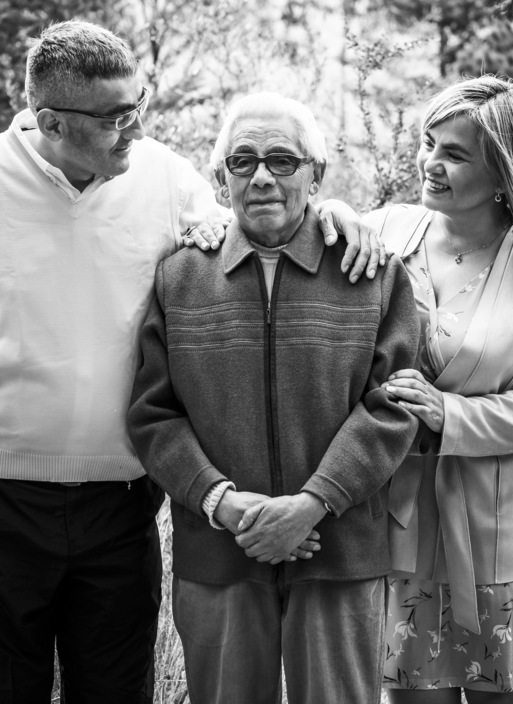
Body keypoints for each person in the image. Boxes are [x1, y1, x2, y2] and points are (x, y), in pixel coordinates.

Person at [0, 21, 384, 704]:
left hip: (118, 515)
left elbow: (260, 219)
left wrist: (337, 213)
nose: (135, 130)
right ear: (52, 121)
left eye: (137, 109)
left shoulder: (164, 177)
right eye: (115, 118)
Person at [127, 91, 421, 704]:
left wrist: (312, 504)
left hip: (339, 551)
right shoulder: (180, 277)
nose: (262, 176)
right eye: (243, 161)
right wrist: (226, 505)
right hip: (220, 552)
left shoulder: (371, 273)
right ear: (220, 177)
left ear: (316, 174)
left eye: (283, 160)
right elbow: (154, 416)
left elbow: (392, 405)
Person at [368, 76, 513, 703]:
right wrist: (203, 232)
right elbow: (299, 226)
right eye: (428, 143)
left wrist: (451, 414)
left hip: (503, 532)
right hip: (402, 525)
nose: (430, 164)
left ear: (503, 173)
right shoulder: (385, 235)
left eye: (455, 153)